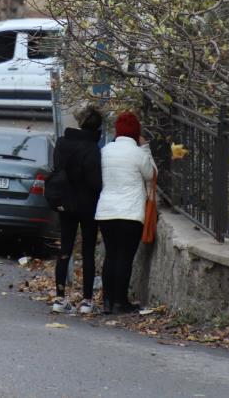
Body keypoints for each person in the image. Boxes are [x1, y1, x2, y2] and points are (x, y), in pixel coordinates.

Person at [95, 111, 156, 315]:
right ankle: (121, 301)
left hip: (106, 212)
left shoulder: (105, 151)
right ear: (136, 133)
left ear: (117, 131)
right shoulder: (138, 153)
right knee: (124, 257)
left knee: (111, 256)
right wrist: (145, 147)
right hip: (130, 213)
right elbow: (151, 174)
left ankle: (107, 301)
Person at [50, 106, 104, 315]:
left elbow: (57, 168)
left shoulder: (62, 143)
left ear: (79, 122)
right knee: (88, 251)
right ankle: (87, 301)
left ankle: (59, 297)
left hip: (65, 203)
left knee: (65, 249)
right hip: (88, 205)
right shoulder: (92, 148)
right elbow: (95, 181)